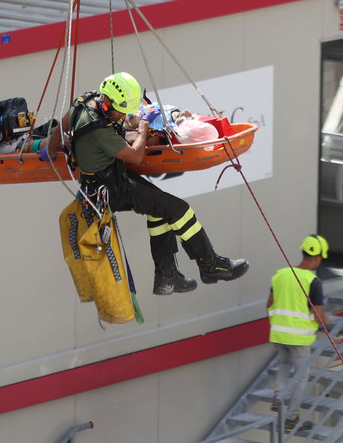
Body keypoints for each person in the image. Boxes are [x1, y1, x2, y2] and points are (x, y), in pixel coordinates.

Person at [62, 71, 248, 295]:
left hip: (106, 179)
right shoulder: (99, 129)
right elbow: (135, 156)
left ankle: (166, 277)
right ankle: (211, 266)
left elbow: (59, 130)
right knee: (179, 210)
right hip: (111, 189)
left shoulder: (82, 103)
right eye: (122, 111)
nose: (123, 116)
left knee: (160, 211)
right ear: (107, 102)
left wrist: (51, 150)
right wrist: (143, 126)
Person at [267, 235, 327, 431]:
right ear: (317, 257)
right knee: (301, 377)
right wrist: (327, 320)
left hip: (278, 334)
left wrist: (277, 322)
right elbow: (318, 315)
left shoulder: (281, 275)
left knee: (284, 363)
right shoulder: (313, 282)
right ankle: (292, 419)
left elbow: (269, 303)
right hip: (299, 338)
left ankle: (278, 397)